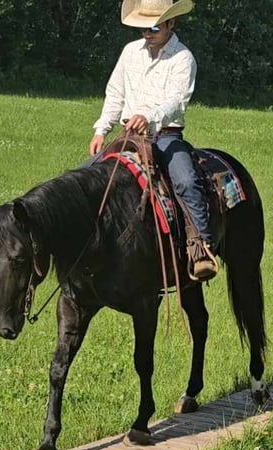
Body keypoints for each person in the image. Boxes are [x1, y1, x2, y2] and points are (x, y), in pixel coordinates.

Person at [88, 0, 217, 281]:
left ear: (172, 23)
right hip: (128, 135)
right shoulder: (129, 52)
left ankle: (200, 246)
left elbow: (176, 101)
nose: (148, 32)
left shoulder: (183, 58)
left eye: (155, 26)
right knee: (86, 176)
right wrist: (101, 129)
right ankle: (88, 248)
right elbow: (115, 93)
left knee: (186, 180)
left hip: (165, 136)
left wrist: (147, 115)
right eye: (143, 27)